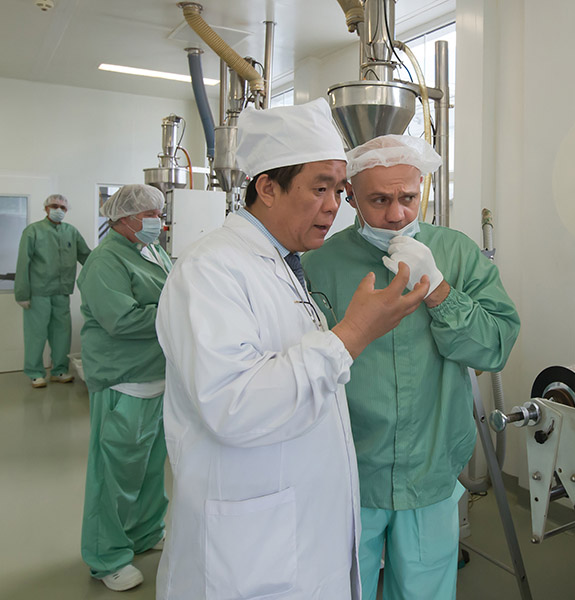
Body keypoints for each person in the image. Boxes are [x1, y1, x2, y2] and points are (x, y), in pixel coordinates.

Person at [155, 99, 430, 600]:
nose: (333, 206)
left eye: (339, 191)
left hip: (297, 531)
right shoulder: (210, 270)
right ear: (267, 187)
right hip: (247, 552)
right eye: (320, 188)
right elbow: (234, 405)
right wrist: (353, 333)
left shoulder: (284, 263)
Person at [302, 134, 520, 600]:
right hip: (349, 470)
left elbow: (495, 348)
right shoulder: (320, 263)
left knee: (425, 591)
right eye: (379, 200)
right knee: (343, 588)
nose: (397, 214)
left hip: (430, 467)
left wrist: (438, 288)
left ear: (422, 187)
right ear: (351, 196)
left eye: (407, 197)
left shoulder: (456, 253)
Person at [78, 184, 172, 592]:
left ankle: (145, 532)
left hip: (157, 377)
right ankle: (107, 557)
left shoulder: (151, 251)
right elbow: (122, 319)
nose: (158, 222)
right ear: (125, 218)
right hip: (124, 381)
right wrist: (176, 311)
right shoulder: (105, 261)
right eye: (151, 215)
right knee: (114, 476)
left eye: (159, 214)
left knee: (150, 468)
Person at [14, 193, 91, 387]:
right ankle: (35, 372)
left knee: (61, 333)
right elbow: (23, 263)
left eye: (63, 208)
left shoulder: (71, 232)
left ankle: (60, 370)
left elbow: (86, 256)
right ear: (46, 208)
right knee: (36, 334)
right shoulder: (33, 231)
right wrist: (22, 293)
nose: (59, 210)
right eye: (55, 206)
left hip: (62, 291)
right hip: (38, 292)